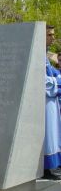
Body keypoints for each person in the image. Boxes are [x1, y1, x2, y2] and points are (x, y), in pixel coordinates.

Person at [44, 25, 61, 180]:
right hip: (44, 102)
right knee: (48, 134)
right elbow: (43, 81)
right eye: (50, 35)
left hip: (51, 101)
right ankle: (48, 167)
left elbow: (53, 73)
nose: (53, 37)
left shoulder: (44, 56)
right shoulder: (37, 55)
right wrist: (59, 81)